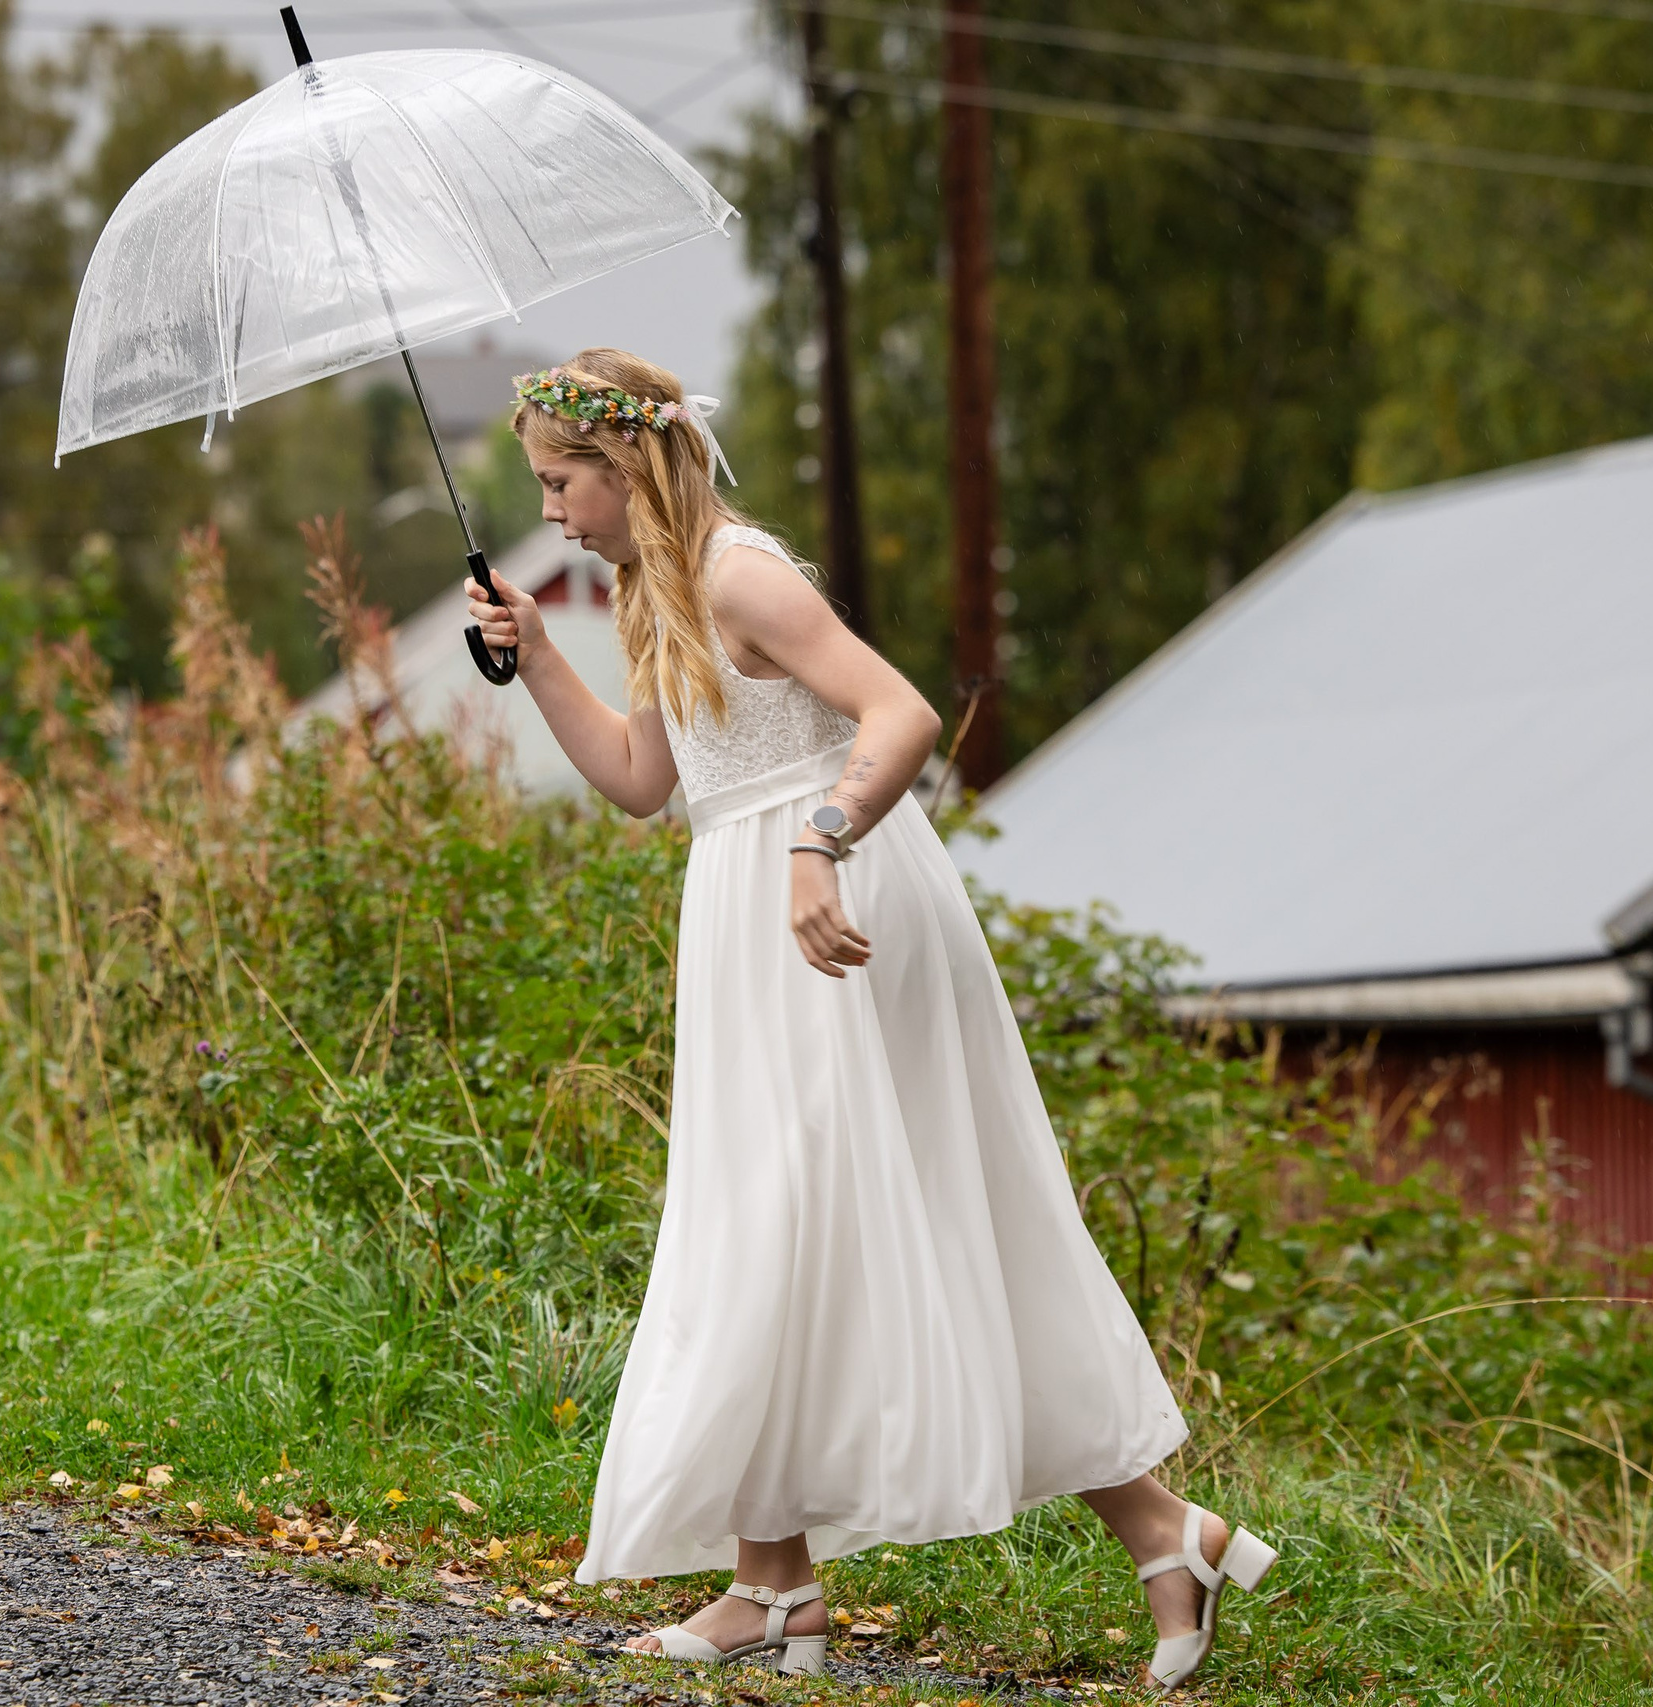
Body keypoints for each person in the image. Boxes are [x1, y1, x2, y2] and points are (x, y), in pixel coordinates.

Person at [463, 348, 1276, 1690]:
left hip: (833, 908)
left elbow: (898, 713)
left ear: (628, 467)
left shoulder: (738, 571)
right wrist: (541, 654)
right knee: (763, 1225)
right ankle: (774, 1584)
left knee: (891, 1220)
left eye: (563, 483)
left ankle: (1132, 1530)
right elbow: (635, 778)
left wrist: (820, 841)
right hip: (744, 906)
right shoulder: (657, 591)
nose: (552, 512)